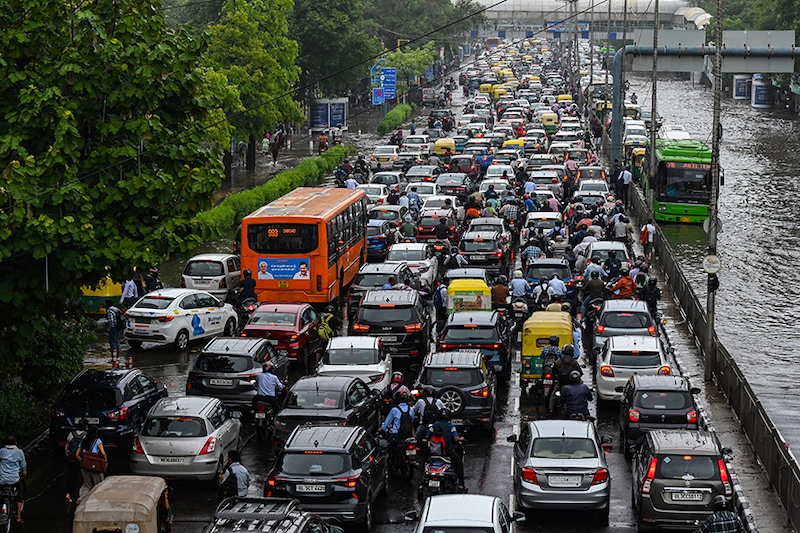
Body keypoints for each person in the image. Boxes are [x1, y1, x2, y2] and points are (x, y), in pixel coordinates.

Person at [423, 409, 465, 490]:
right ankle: (461, 484)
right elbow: (456, 438)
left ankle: (423, 481)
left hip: (434, 452)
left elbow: (427, 436)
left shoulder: (434, 425)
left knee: (425, 462)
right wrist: (461, 438)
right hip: (448, 452)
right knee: (459, 464)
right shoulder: (451, 426)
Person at [0, 435, 26, 524]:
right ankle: (19, 517)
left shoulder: (1, 451)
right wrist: (24, 472)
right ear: (16, 443)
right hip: (14, 479)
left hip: (2, 479)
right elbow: (23, 466)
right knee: (19, 494)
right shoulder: (19, 452)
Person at [549, 345, 582, 415]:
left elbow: (553, 371)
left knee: (553, 396)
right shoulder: (574, 362)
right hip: (571, 384)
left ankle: (550, 410)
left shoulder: (559, 361)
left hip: (561, 383)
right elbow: (580, 373)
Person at [76, 426, 106, 498]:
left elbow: (76, 455)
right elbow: (103, 453)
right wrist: (105, 461)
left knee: (87, 485)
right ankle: (96, 499)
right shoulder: (97, 441)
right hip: (95, 466)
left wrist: (83, 462)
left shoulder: (84, 440)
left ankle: (82, 499)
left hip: (85, 467)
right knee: (98, 485)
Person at [64, 422, 88, 505]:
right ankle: (79, 497)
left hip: (71, 459)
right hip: (80, 459)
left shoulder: (71, 434)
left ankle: (68, 494)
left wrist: (68, 455)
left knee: (71, 477)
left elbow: (67, 446)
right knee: (81, 478)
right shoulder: (85, 435)